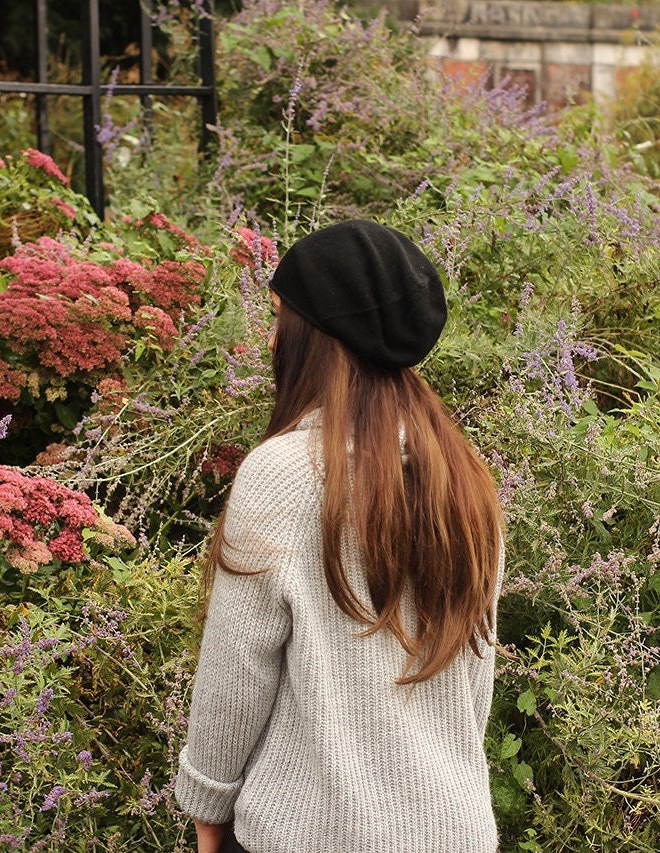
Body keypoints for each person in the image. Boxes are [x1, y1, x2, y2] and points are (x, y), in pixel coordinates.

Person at [175, 220, 504, 853]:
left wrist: (208, 806)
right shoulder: (463, 476)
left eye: (280, 317)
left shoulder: (285, 473)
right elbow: (473, 680)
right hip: (454, 831)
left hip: (311, 833)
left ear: (316, 335)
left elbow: (236, 674)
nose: (272, 338)